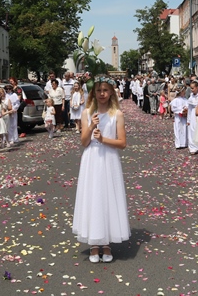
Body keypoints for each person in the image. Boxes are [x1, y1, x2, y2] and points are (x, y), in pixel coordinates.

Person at [72, 76, 129, 263]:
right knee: (93, 197)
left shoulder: (117, 114)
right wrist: (91, 126)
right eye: (98, 90)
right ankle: (94, 243)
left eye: (105, 90)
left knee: (107, 196)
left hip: (109, 158)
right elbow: (84, 142)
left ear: (111, 92)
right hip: (92, 159)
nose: (102, 94)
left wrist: (104, 139)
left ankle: (106, 243)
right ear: (93, 93)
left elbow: (122, 143)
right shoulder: (87, 113)